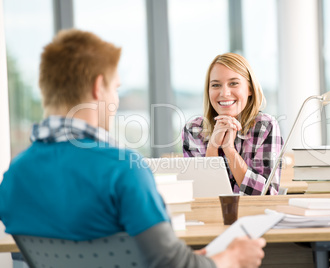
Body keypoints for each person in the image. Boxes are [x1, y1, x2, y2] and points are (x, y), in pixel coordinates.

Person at [0, 30, 266, 268]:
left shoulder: (14, 175)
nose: (116, 100)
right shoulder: (124, 170)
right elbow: (171, 264)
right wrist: (230, 259)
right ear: (97, 87)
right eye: (115, 88)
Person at [182, 53, 283, 195]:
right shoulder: (193, 129)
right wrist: (212, 147)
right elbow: (200, 193)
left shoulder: (265, 126)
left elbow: (267, 194)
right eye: (216, 85)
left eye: (233, 83)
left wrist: (229, 149)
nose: (224, 93)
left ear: (250, 89)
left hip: (255, 215)